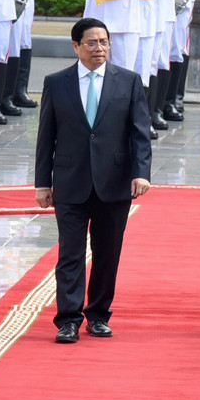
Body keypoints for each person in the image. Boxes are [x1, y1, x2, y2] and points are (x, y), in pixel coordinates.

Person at [35, 17, 152, 343]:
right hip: (71, 181)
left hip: (113, 183)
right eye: (91, 42)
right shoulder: (57, 83)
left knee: (107, 253)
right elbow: (47, 136)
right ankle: (68, 320)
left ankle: (98, 315)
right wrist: (42, 183)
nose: (99, 48)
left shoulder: (128, 81)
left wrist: (141, 173)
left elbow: (140, 133)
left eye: (103, 42)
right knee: (69, 254)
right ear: (76, 46)